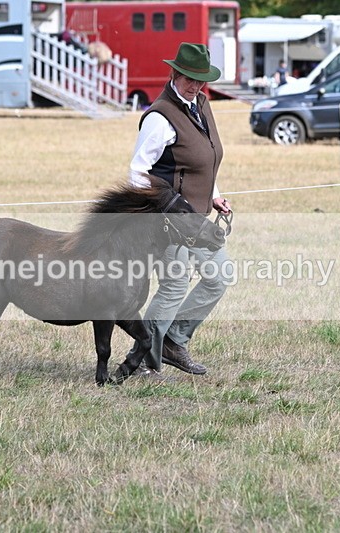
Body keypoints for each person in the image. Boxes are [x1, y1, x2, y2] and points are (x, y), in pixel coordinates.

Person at [127, 42, 232, 380]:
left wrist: (213, 195)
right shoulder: (160, 116)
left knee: (219, 277)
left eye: (201, 80)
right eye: (189, 78)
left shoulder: (200, 104)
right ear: (174, 73)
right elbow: (137, 171)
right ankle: (143, 358)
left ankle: (173, 341)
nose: (196, 85)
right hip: (169, 222)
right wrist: (159, 210)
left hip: (199, 219)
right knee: (174, 286)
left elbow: (203, 160)